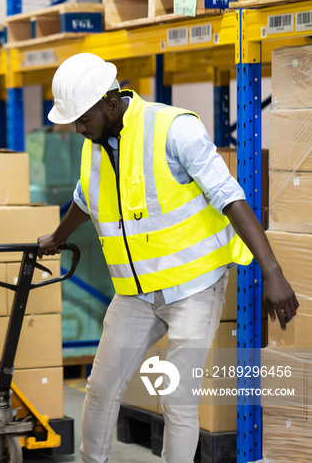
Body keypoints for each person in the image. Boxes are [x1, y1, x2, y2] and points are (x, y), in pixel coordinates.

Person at [38, 52, 299, 463]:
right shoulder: (94, 143)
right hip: (136, 295)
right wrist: (56, 236)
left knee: (177, 399)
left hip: (195, 287)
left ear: (110, 102)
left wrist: (273, 273)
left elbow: (230, 197)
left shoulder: (174, 129)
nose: (76, 128)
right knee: (101, 387)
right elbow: (84, 199)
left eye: (82, 118)